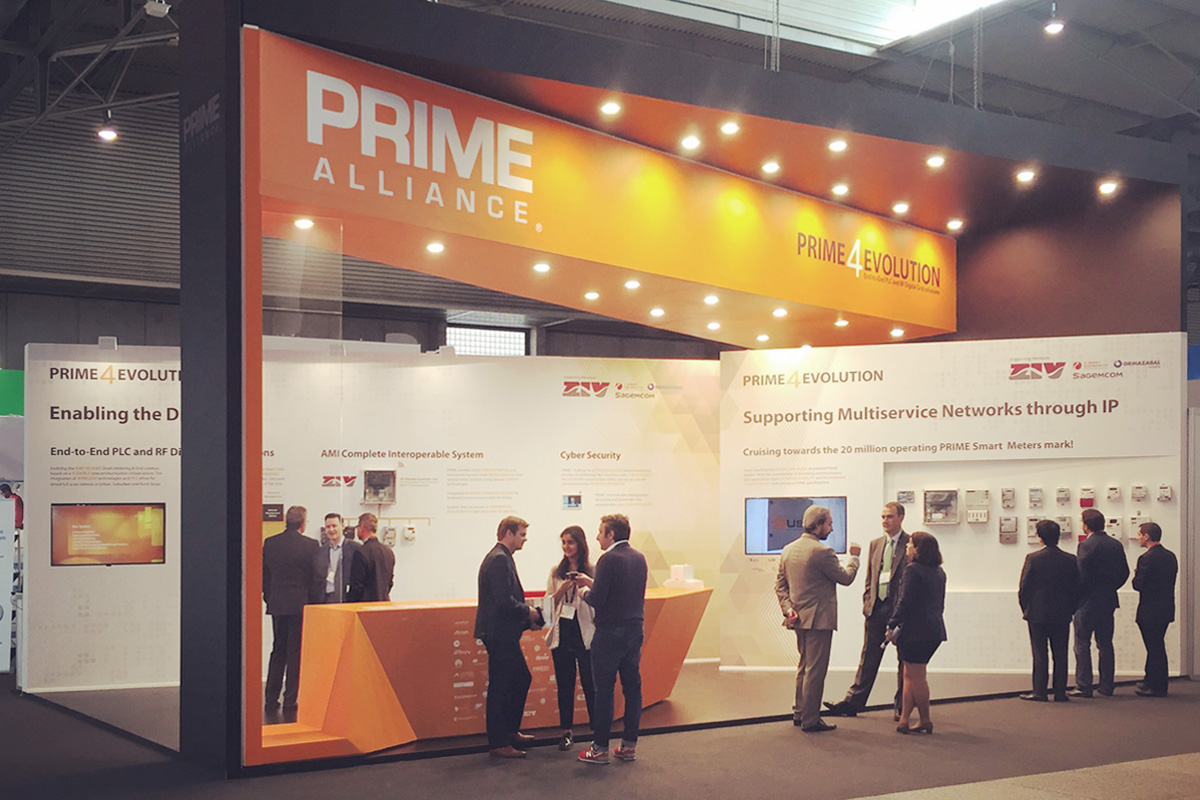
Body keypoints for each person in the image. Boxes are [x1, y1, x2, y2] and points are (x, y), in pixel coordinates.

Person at [774, 505, 861, 733]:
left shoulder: (788, 550)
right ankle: (811, 719)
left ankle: (800, 712)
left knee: (804, 666)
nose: (831, 529)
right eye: (829, 524)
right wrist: (855, 558)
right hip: (819, 620)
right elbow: (846, 578)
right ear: (818, 525)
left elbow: (780, 586)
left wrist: (788, 609)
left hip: (797, 619)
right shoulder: (822, 552)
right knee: (815, 670)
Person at [574, 513, 648, 764]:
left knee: (604, 691)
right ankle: (629, 746)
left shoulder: (607, 560)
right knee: (632, 688)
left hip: (609, 634)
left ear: (611, 534)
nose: (597, 537)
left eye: (600, 532)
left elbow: (597, 599)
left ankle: (599, 749)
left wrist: (584, 592)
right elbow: (621, 592)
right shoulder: (639, 558)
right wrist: (593, 583)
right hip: (634, 630)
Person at [825, 502, 909, 721]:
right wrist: (867, 604)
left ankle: (902, 707)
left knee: (904, 661)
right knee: (868, 659)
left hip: (900, 611)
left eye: (889, 516)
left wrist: (904, 612)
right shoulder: (875, 545)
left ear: (901, 517)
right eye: (883, 517)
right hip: (876, 609)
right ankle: (853, 702)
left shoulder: (911, 544)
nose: (885, 521)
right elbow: (870, 578)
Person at [475, 515, 542, 759]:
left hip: (501, 632)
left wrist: (526, 616)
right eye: (522, 534)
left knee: (518, 679)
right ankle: (499, 741)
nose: (525, 539)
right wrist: (530, 612)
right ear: (508, 533)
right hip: (499, 633)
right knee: (502, 686)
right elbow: (504, 602)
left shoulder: (501, 557)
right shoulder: (499, 559)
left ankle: (509, 732)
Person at [885, 531, 946, 734]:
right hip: (934, 629)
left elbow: (905, 601)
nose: (907, 547)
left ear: (918, 549)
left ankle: (925, 719)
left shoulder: (912, 570)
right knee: (910, 674)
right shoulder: (939, 572)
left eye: (910, 544)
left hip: (915, 631)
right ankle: (904, 719)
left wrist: (891, 623)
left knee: (916, 676)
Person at [262, 505, 319, 714]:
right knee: (295, 652)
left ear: (286, 521)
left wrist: (269, 597)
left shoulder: (270, 543)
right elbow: (315, 578)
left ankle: (270, 698)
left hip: (277, 604)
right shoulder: (311, 545)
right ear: (303, 524)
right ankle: (290, 699)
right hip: (299, 604)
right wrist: (312, 603)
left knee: (278, 650)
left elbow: (265, 576)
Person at [544, 525, 596, 752]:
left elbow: (600, 599)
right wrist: (562, 589)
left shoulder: (592, 570)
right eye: (564, 542)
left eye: (571, 542)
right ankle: (566, 732)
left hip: (585, 633)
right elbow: (547, 605)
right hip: (563, 632)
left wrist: (587, 584)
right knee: (564, 685)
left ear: (580, 544)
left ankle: (597, 733)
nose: (567, 547)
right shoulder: (556, 571)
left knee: (590, 683)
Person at [1018, 519, 1080, 703]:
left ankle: (1040, 691)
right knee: (1061, 654)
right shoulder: (1070, 559)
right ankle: (1060, 692)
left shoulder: (1033, 558)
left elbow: (1024, 588)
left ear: (1040, 537)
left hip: (1037, 613)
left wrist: (1026, 608)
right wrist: (1071, 609)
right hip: (1062, 613)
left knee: (1040, 653)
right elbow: (1076, 588)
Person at [1069, 508, 1129, 698]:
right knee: (1105, 644)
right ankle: (1107, 685)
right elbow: (1124, 572)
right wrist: (1110, 587)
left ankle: (1084, 685)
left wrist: (1078, 596)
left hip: (1087, 601)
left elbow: (1081, 575)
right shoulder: (1115, 545)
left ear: (1086, 526)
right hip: (1108, 600)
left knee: (1082, 644)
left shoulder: (1085, 545)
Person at [1132, 522, 1177, 698]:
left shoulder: (1146, 558)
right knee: (1157, 645)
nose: (1137, 538)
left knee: (1154, 648)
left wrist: (1136, 574)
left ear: (1147, 536)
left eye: (1139, 534)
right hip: (1165, 608)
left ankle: (1157, 686)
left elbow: (1138, 585)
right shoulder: (1170, 556)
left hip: (1149, 610)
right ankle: (1151, 680)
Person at [347, 512, 394, 603]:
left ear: (362, 528)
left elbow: (357, 586)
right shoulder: (388, 551)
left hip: (365, 605)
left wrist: (349, 601)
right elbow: (390, 582)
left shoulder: (361, 552)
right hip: (384, 603)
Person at [313, 513, 359, 603]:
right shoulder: (321, 551)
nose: (331, 530)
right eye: (328, 527)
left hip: (347, 598)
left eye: (334, 526)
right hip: (326, 598)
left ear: (342, 526)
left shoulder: (355, 548)